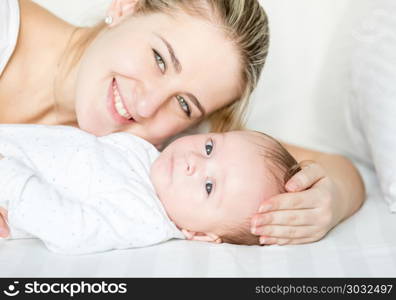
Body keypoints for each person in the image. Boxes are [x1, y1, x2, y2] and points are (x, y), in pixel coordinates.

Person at [0, 0, 364, 246]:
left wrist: (329, 200)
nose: (146, 105)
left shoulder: (173, 154)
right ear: (127, 7)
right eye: (159, 59)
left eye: (184, 103)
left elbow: (336, 167)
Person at [0, 124, 300, 254]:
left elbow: (71, 231)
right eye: (209, 147)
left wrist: (9, 179)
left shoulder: (142, 217)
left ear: (200, 235)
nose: (193, 162)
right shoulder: (147, 157)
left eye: (209, 186)